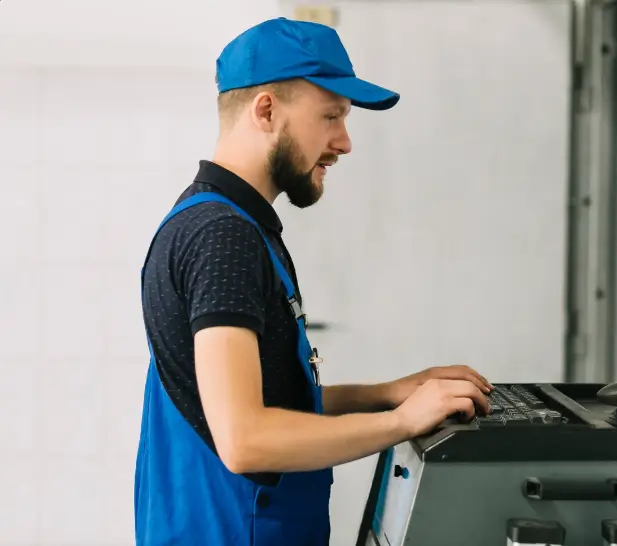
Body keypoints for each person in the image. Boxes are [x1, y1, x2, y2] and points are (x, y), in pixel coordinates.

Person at [133, 17, 492, 546]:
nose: (344, 142)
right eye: (331, 116)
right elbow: (246, 439)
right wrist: (402, 423)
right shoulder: (221, 235)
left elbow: (266, 401)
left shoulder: (223, 222)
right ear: (266, 110)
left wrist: (389, 394)